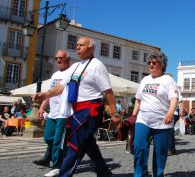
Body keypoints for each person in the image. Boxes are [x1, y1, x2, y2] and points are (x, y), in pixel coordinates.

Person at [33, 37, 119, 177]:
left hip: (90, 109)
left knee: (75, 144)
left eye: (81, 45)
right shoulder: (75, 67)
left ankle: (64, 174)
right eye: (77, 45)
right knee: (88, 143)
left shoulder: (97, 65)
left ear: (91, 48)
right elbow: (61, 87)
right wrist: (45, 94)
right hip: (75, 110)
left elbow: (107, 91)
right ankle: (103, 172)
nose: (77, 48)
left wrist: (115, 112)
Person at [131, 51, 178, 177]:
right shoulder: (145, 79)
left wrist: (170, 113)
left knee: (160, 152)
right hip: (143, 119)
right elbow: (138, 99)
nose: (150, 65)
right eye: (149, 62)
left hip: (162, 121)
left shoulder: (168, 79)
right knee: (139, 147)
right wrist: (133, 116)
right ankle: (140, 174)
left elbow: (174, 98)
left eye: (154, 62)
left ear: (161, 65)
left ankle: (158, 174)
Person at [32, 50, 71, 177]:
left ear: (68, 59)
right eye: (56, 58)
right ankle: (61, 156)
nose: (58, 60)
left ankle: (57, 166)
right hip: (53, 113)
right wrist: (42, 107)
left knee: (58, 141)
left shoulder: (71, 73)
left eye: (61, 58)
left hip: (63, 112)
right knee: (48, 137)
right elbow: (50, 93)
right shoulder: (54, 75)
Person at [168, 86, 183, 156]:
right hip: (166, 111)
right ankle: (171, 149)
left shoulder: (175, 87)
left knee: (169, 129)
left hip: (174, 112)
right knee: (168, 130)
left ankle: (170, 149)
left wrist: (181, 110)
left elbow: (180, 99)